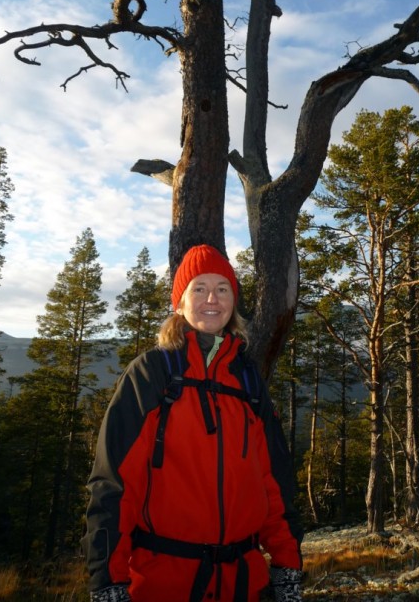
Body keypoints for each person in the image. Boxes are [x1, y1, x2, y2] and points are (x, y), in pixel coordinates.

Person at [82, 244, 303, 602]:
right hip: (163, 584)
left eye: (222, 288)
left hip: (244, 584)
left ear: (233, 301)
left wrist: (287, 566)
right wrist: (108, 581)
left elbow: (273, 482)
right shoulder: (152, 373)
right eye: (198, 288)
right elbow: (115, 485)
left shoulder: (247, 379)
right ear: (180, 302)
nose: (211, 298)